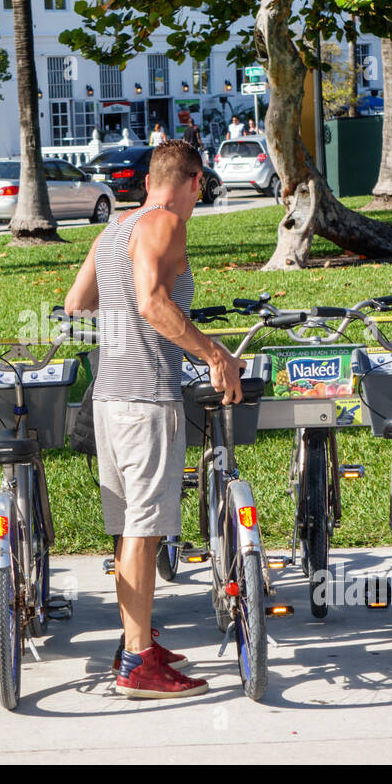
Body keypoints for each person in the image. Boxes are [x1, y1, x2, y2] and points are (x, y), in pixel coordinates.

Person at [63, 140, 243, 699]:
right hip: (147, 401)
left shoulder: (114, 229)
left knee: (130, 534)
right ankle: (139, 664)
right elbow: (151, 302)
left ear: (147, 181)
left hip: (108, 396)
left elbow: (76, 305)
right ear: (195, 181)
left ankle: (135, 642)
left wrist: (125, 335)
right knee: (144, 532)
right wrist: (215, 354)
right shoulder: (165, 224)